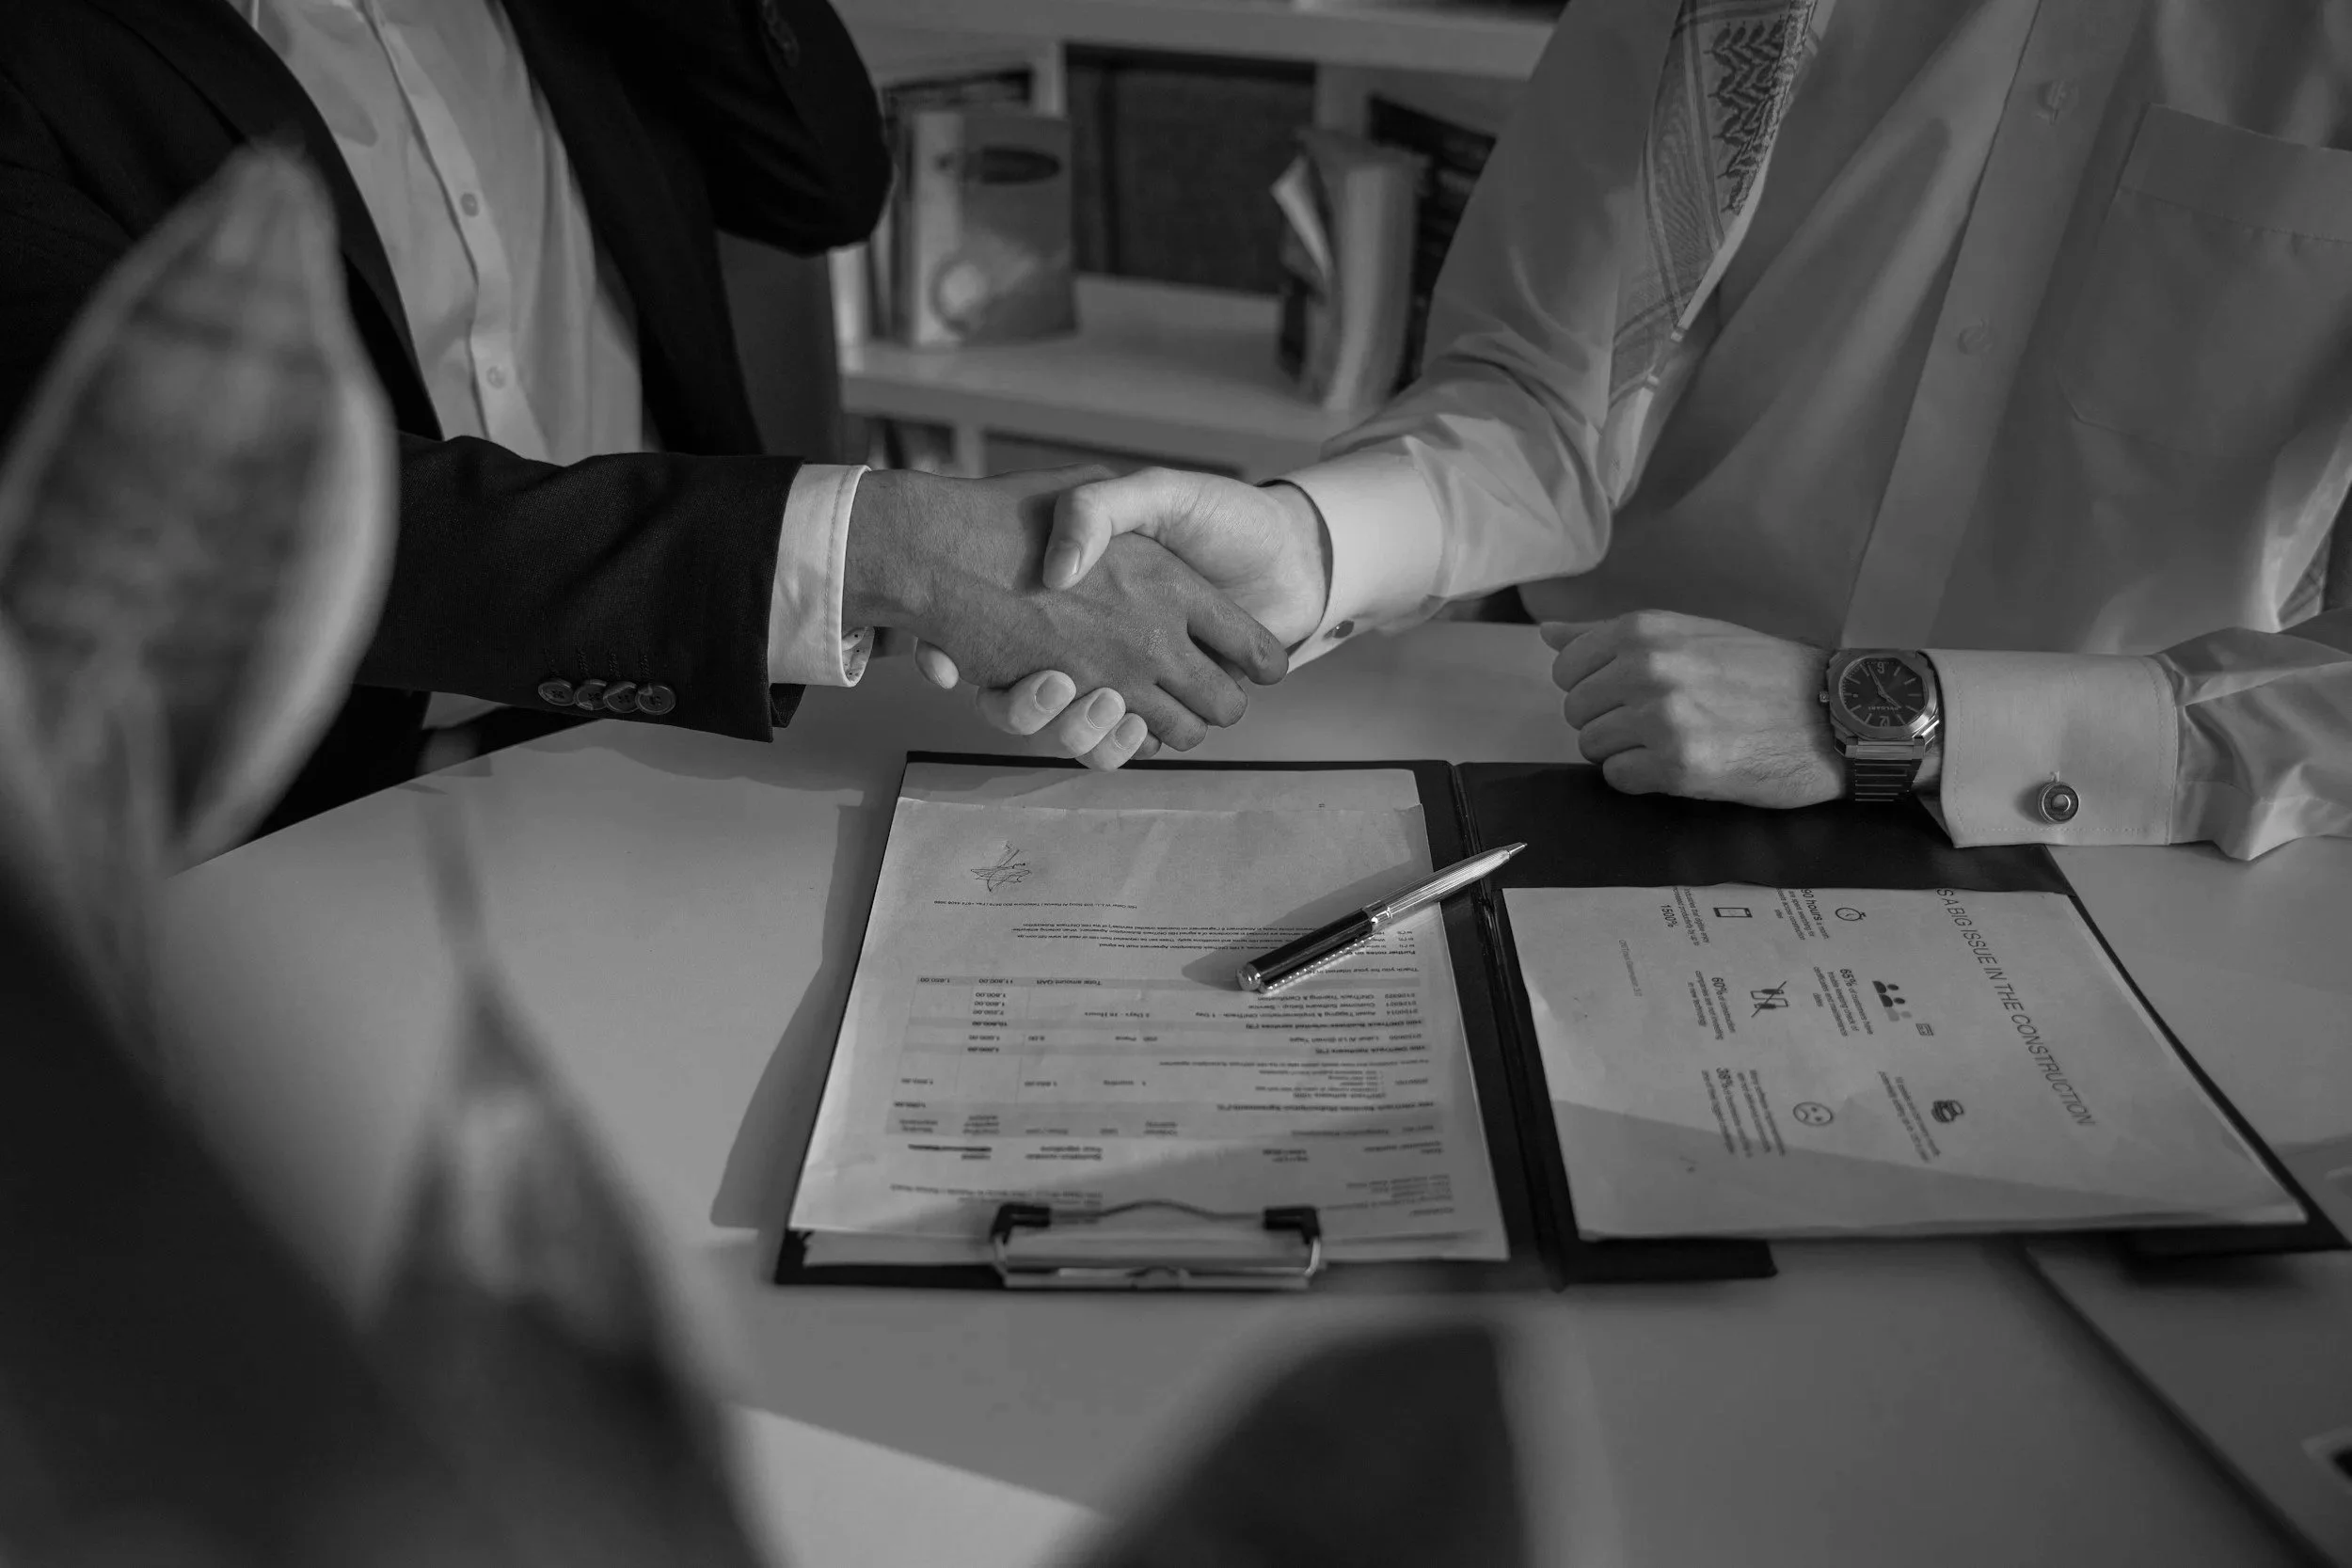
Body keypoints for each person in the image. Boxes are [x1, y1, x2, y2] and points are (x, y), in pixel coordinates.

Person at [952, 0, 2352, 861]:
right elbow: (1545, 394)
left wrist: (1895, 724)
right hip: (1601, 763)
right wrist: (1315, 544)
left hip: (2141, 841)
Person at [0, 0, 1282, 832]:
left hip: (681, 741)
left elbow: (825, 181)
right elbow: (244, 509)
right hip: (286, 831)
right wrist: (883, 549)